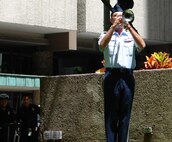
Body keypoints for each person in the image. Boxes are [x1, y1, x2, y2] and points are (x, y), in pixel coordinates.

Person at [98, 3, 146, 142]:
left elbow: (142, 46)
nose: (119, 18)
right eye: (115, 16)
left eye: (121, 16)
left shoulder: (130, 34)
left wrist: (129, 26)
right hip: (111, 76)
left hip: (127, 76)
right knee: (111, 115)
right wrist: (113, 28)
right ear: (111, 20)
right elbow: (102, 46)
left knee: (125, 115)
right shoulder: (104, 35)